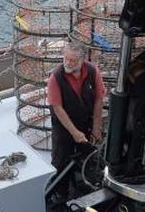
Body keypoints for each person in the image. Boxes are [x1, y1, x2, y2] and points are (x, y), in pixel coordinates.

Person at [46, 42, 107, 178]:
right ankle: (59, 192)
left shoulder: (93, 71)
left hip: (85, 122)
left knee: (88, 157)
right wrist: (74, 132)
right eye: (65, 59)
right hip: (63, 127)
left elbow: (98, 99)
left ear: (81, 60)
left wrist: (97, 127)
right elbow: (57, 108)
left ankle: (84, 183)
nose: (67, 63)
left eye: (72, 60)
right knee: (60, 161)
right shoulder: (55, 77)